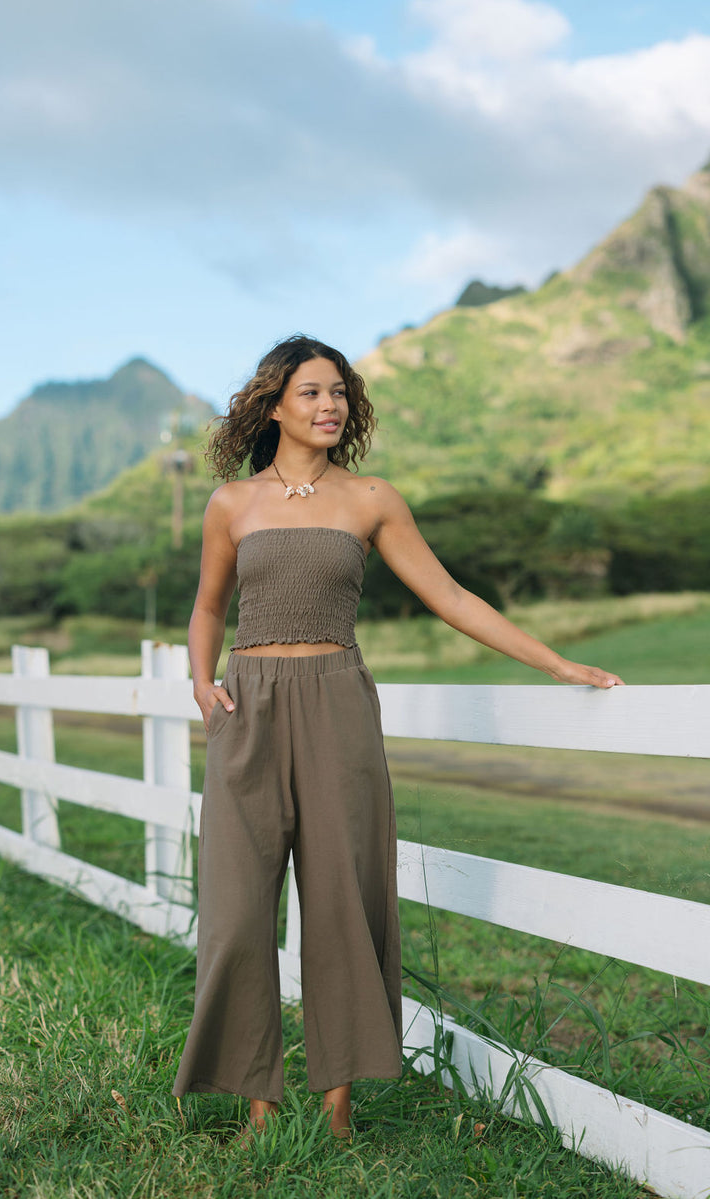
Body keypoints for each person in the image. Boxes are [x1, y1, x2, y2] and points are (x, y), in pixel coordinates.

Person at [172, 334, 624, 1140]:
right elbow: (209, 605)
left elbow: (450, 595)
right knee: (238, 909)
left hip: (339, 702)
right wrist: (202, 678)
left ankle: (338, 1104)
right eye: (311, 391)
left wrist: (555, 662)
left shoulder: (371, 498)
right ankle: (259, 1104)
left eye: (339, 392)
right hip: (249, 707)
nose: (330, 404)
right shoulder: (231, 505)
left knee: (345, 899)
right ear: (274, 403)